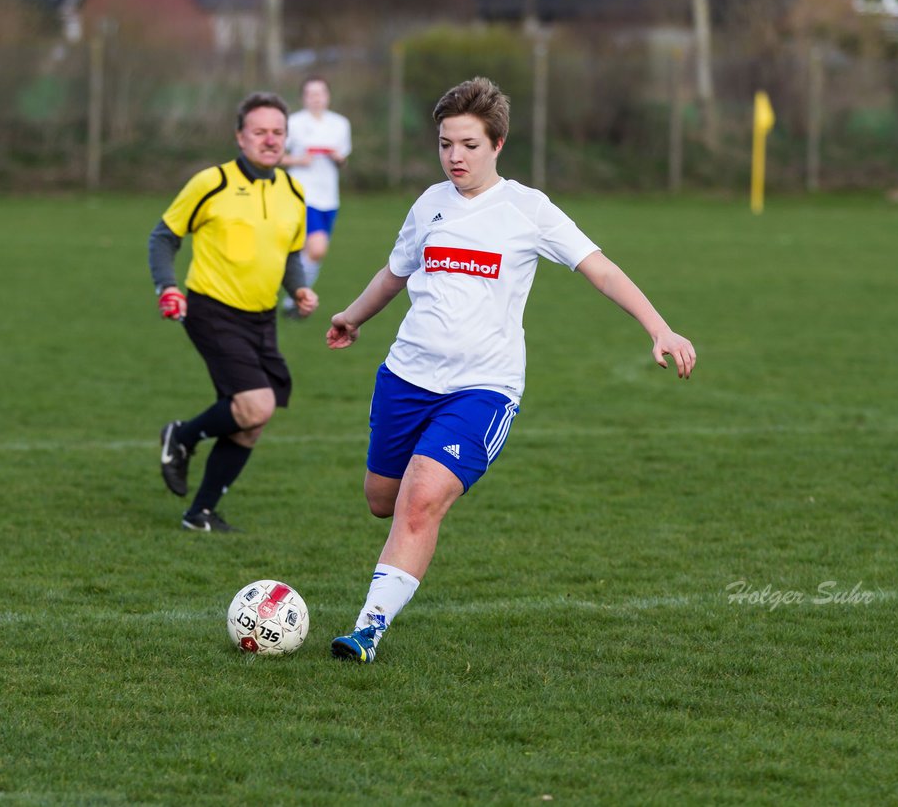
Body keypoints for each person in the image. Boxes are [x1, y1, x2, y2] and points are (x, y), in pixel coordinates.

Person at [324, 77, 696, 662]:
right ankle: (395, 558)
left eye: (468, 145)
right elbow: (394, 273)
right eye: (446, 144)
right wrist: (352, 316)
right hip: (406, 376)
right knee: (381, 499)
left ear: (497, 144)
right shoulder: (429, 204)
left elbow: (601, 270)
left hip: (483, 388)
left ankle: (367, 629)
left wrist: (660, 327)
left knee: (420, 501)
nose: (455, 157)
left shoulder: (529, 210)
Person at [148, 91, 317, 533]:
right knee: (255, 404)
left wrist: (298, 289)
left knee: (251, 423)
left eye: (278, 132)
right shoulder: (212, 183)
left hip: (262, 318)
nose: (270, 139)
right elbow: (164, 236)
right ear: (240, 137)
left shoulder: (294, 191)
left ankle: (199, 513)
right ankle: (181, 437)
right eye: (259, 131)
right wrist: (167, 286)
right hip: (211, 307)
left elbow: (291, 253)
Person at [279, 76, 352, 317]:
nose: (316, 98)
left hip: (329, 196)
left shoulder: (340, 124)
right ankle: (298, 299)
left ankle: (293, 300)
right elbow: (275, 157)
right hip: (301, 194)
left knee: (307, 251)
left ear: (328, 96)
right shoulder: (294, 123)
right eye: (311, 93)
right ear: (303, 97)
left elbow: (343, 159)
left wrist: (337, 158)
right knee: (317, 248)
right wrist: (299, 160)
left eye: (320, 93)